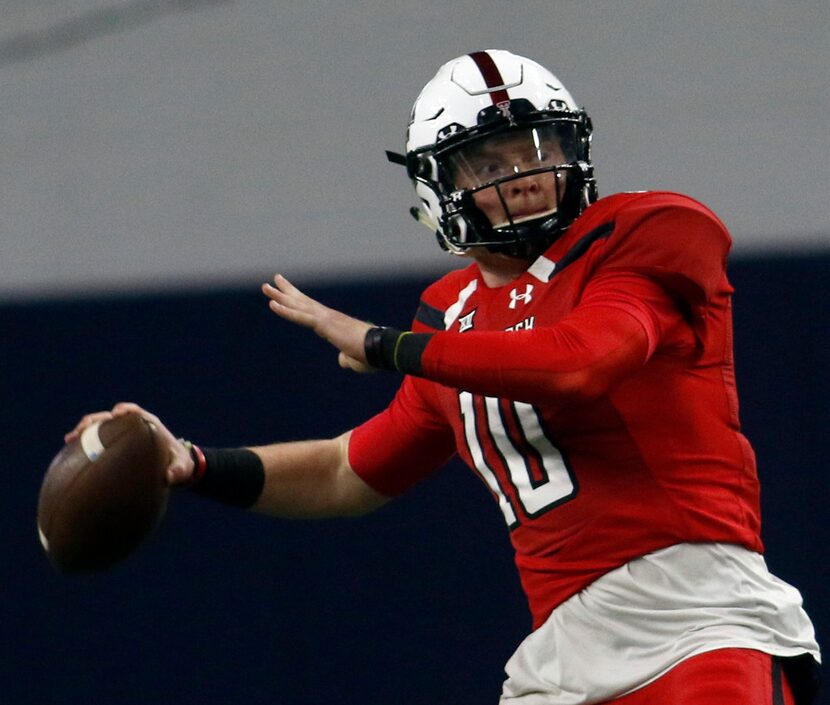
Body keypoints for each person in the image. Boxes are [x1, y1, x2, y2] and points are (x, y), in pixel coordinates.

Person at [66, 50, 821, 704]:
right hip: (562, 657)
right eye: (490, 161)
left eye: (536, 145)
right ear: (437, 187)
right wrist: (193, 463)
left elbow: (581, 362)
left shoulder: (640, 235)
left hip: (697, 621)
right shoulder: (450, 318)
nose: (524, 172)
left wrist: (382, 343)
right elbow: (343, 471)